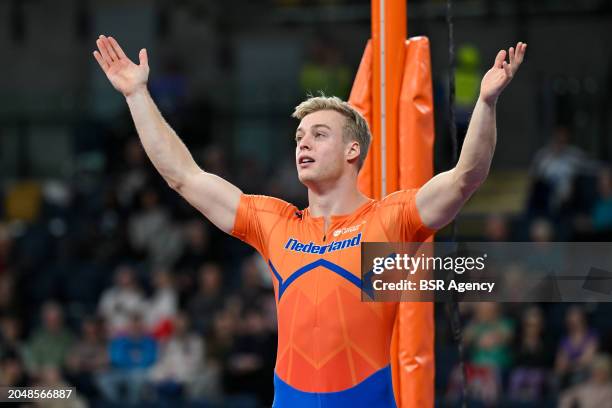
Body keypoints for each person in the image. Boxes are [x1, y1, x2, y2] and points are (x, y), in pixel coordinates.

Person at [93, 35, 526, 407]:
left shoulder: (389, 220)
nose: (304, 144)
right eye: (300, 137)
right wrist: (136, 95)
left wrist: (486, 102)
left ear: (352, 151)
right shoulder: (275, 223)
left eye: (320, 135)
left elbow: (465, 178)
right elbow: (183, 176)